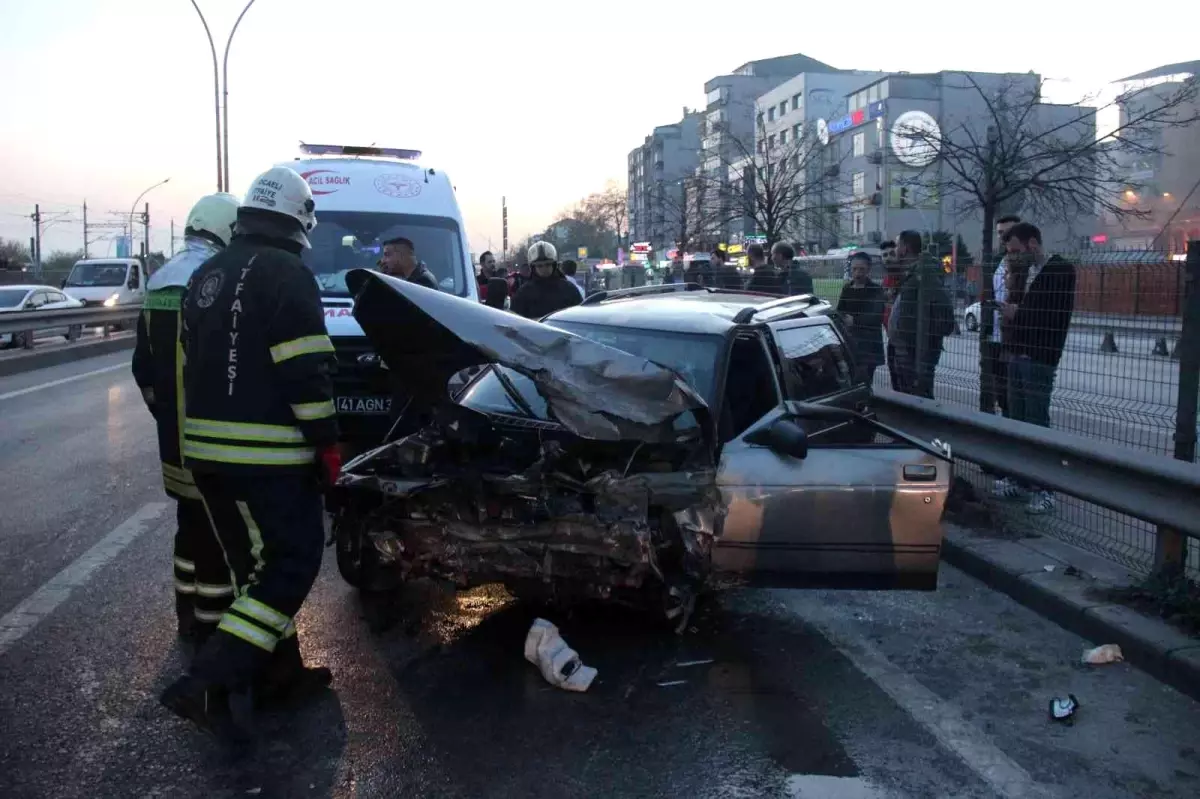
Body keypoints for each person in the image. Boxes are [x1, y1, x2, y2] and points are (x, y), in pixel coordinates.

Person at [160, 166, 339, 741]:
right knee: (289, 564)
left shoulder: (208, 273)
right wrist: (327, 444)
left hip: (206, 459)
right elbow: (306, 370)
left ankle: (279, 676)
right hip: (270, 461)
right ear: (300, 221)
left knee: (251, 573)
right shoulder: (288, 273)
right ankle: (208, 682)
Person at [132, 191, 240, 645]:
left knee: (187, 525)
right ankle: (212, 623)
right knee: (218, 532)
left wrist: (162, 413)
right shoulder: (217, 278)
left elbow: (143, 365)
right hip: (210, 437)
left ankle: (185, 612)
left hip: (172, 439)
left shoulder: (159, 279)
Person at [993, 222, 1076, 515]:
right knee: (1017, 418)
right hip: (1017, 353)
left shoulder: (1059, 270)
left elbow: (1051, 314)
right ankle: (1020, 479)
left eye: (1015, 250)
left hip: (1040, 356)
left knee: (1036, 422)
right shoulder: (1025, 272)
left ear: (1032, 244)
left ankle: (1044, 488)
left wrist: (1018, 313)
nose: (1012, 257)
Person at [888, 230, 955, 398]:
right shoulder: (912, 272)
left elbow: (942, 304)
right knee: (906, 392)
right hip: (907, 348)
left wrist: (928, 339)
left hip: (917, 351)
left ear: (904, 248)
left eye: (897, 245)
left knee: (918, 393)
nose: (895, 250)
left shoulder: (924, 272)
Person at [982, 215, 1020, 416]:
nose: (1003, 237)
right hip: (994, 339)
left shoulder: (1024, 264)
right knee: (1001, 393)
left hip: (1014, 340)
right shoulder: (997, 262)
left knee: (1014, 395)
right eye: (999, 233)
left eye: (1008, 232)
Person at [835, 251, 886, 384]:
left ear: (868, 269)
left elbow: (876, 316)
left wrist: (855, 321)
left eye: (861, 269)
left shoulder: (875, 290)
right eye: (854, 269)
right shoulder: (847, 288)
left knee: (865, 381)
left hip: (869, 345)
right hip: (850, 343)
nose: (857, 273)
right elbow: (840, 310)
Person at [510, 241, 582, 319]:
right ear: (533, 268)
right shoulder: (524, 292)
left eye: (548, 264)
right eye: (539, 266)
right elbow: (516, 320)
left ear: (554, 265)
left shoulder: (569, 289)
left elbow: (579, 316)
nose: (544, 269)